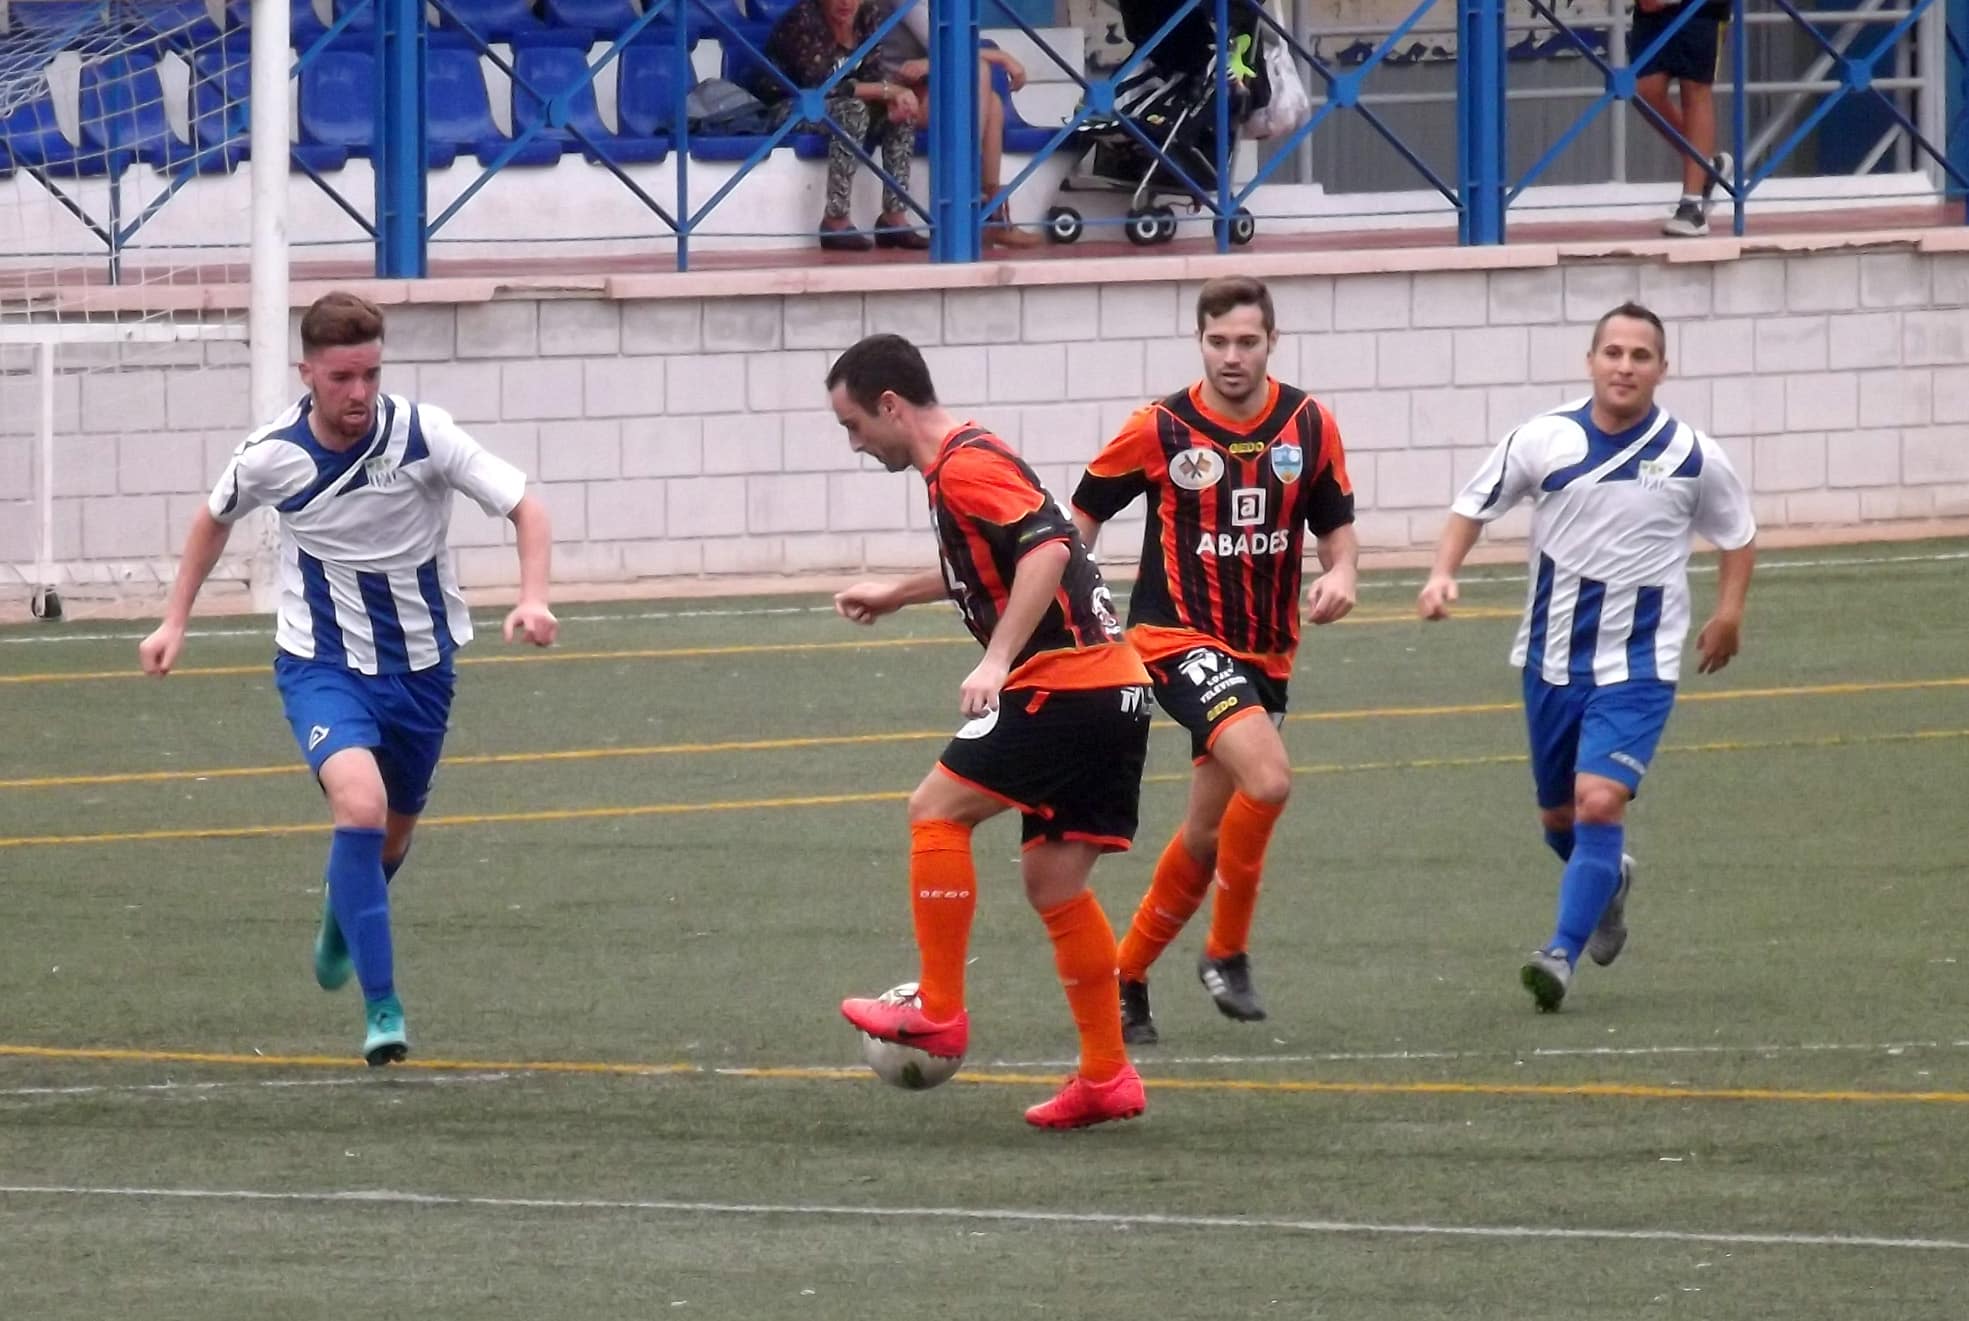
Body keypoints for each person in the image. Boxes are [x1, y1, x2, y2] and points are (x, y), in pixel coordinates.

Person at [137, 291, 558, 1065]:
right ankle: (382, 1007)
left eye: (370, 374)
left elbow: (526, 507)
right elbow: (212, 519)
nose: (359, 392)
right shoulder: (272, 453)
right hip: (321, 664)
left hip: (422, 669)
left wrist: (533, 596)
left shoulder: (424, 434)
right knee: (359, 806)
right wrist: (174, 621)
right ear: (308, 374)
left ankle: (343, 907)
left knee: (391, 834)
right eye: (341, 377)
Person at [828, 332, 1153, 1130]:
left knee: (934, 810)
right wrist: (897, 593)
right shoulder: (972, 457)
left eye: (853, 425)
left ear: (890, 405)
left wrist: (997, 659)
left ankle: (938, 1008)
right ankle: (1107, 1075)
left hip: (1066, 683)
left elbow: (1048, 549)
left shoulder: (964, 467)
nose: (855, 444)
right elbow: (999, 558)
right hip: (1116, 689)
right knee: (1055, 885)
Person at [1416, 301, 1757, 1012]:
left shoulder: (1693, 455)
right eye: (1613, 353)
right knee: (1559, 823)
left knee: (1598, 799)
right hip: (1549, 659)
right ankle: (1610, 879)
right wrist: (1442, 571)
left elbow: (1736, 534)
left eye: (1640, 355)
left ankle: (1559, 955)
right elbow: (1474, 504)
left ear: (1662, 368)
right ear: (1591, 361)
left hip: (1639, 664)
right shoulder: (1544, 438)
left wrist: (1728, 614)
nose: (1624, 366)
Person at [1070, 275, 1358, 1045]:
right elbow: (1082, 512)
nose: (1232, 356)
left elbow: (1334, 523)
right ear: (1198, 341)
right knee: (1268, 779)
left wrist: (1342, 573)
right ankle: (1225, 951)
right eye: (1218, 341)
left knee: (1204, 835)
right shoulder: (1158, 426)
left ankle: (1125, 975)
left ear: (1272, 342)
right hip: (1176, 638)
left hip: (1267, 652)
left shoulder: (1309, 423)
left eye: (1247, 341)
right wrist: (1079, 604)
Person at [754, 0, 929, 252]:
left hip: (842, 106)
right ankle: (835, 221)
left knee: (901, 112)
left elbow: (872, 75)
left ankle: (894, 218)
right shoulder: (803, 19)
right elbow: (822, 86)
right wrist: (888, 90)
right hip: (791, 107)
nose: (846, 2)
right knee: (853, 111)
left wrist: (894, 98)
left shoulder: (868, 16)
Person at [873, 0, 1043, 248]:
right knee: (977, 69)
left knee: (993, 104)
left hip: (919, 87)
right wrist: (1002, 57)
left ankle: (992, 213)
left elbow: (951, 46)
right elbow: (952, 45)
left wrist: (929, 64)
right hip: (889, 94)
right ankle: (968, 193)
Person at [1630, 0, 1733, 236]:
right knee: (1643, 89)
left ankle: (1691, 206)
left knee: (1695, 88)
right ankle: (1708, 167)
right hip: (1651, 13)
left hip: (1702, 8)